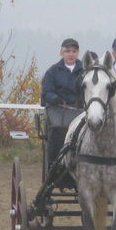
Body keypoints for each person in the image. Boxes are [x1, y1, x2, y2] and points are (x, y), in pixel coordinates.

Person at [41, 38, 84, 170]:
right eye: (67, 51)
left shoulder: (85, 70)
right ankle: (56, 162)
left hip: (80, 110)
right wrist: (54, 98)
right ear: (61, 53)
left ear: (78, 53)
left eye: (74, 51)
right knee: (58, 129)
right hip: (59, 110)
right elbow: (46, 92)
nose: (70, 54)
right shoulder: (52, 72)